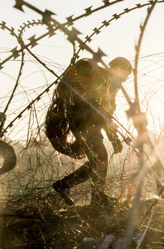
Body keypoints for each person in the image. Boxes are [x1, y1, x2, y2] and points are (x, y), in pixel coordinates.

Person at [48, 57, 132, 206]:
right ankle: (97, 198)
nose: (124, 81)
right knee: (100, 157)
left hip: (86, 124)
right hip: (84, 124)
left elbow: (107, 114)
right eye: (124, 76)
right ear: (117, 69)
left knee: (97, 160)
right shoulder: (100, 77)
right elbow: (104, 113)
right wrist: (113, 138)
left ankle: (65, 185)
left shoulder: (107, 82)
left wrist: (114, 138)